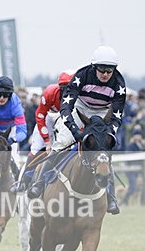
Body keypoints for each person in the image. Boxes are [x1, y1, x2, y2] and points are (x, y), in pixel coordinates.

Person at [26, 45, 126, 215]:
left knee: (104, 152)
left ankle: (111, 198)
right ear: (94, 67)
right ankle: (40, 183)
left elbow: (117, 116)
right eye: (102, 69)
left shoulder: (119, 83)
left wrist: (110, 132)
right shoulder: (82, 76)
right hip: (79, 107)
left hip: (103, 112)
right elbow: (65, 108)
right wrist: (75, 131)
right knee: (61, 144)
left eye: (109, 70)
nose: (105, 74)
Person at [11, 70, 74, 193]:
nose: (66, 92)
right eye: (63, 88)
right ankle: (23, 181)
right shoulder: (50, 92)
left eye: (69, 88)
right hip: (48, 119)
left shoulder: (80, 96)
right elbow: (40, 115)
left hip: (67, 122)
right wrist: (47, 141)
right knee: (36, 149)